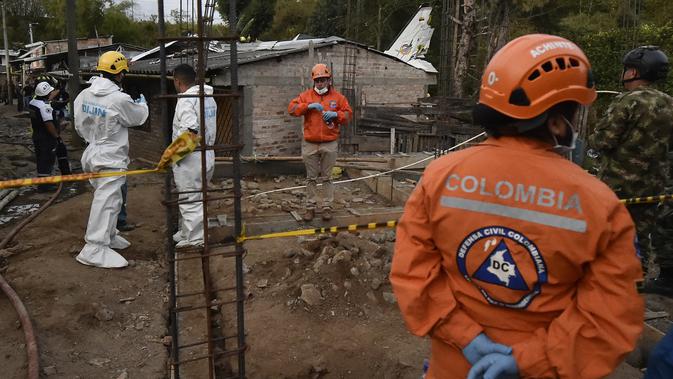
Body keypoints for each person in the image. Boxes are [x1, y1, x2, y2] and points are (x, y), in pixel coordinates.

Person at [390, 34, 644, 379]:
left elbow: (413, 274)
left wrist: (466, 337)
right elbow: (609, 317)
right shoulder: (600, 204)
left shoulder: (441, 176)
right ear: (557, 120)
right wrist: (530, 359)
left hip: (454, 366)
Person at [587, 46, 673, 295]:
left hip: (617, 187)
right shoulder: (669, 104)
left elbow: (603, 140)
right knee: (639, 239)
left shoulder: (628, 101)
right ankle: (634, 286)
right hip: (653, 188)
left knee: (607, 240)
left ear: (634, 71)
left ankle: (602, 289)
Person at [73, 51, 148, 268]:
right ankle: (94, 247)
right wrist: (142, 105)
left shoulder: (84, 95)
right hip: (110, 156)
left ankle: (109, 234)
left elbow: (79, 125)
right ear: (119, 73)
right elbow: (138, 118)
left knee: (111, 198)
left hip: (92, 151)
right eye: (123, 72)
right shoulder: (118, 98)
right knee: (106, 200)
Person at [288, 63, 352, 221]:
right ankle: (310, 207)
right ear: (313, 81)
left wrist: (336, 115)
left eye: (323, 80)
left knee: (327, 177)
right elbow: (292, 109)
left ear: (329, 80)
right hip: (310, 143)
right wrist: (307, 106)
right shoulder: (306, 96)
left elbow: (348, 114)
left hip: (329, 143)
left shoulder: (338, 98)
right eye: (317, 80)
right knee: (311, 177)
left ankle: (327, 207)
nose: (320, 83)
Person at [171, 63, 216, 248]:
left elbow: (191, 130)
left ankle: (196, 239)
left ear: (178, 81)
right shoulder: (207, 97)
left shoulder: (186, 100)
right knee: (196, 196)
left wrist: (173, 156)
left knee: (191, 197)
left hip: (190, 157)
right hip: (207, 153)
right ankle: (186, 231)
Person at [28, 81, 60, 192]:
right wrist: (56, 136)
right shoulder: (44, 107)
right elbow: (48, 123)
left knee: (40, 159)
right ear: (46, 94)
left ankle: (42, 183)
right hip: (46, 138)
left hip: (36, 134)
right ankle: (45, 186)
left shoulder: (33, 102)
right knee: (47, 159)